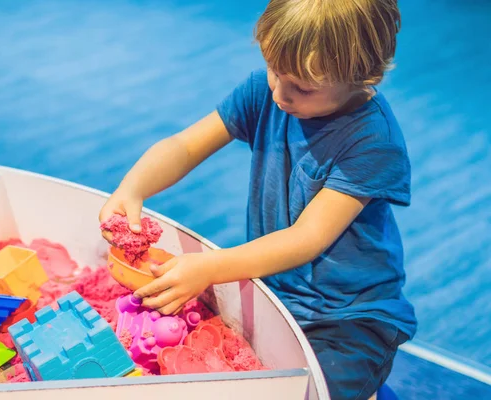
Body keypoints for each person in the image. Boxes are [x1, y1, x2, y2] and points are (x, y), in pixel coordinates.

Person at [99, 0, 416, 398]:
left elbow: (307, 238)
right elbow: (185, 145)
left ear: (361, 74)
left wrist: (210, 266)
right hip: (276, 291)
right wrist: (133, 187)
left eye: (301, 86)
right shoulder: (267, 92)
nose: (280, 94)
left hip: (348, 317)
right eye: (273, 70)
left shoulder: (372, 143)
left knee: (313, 390)